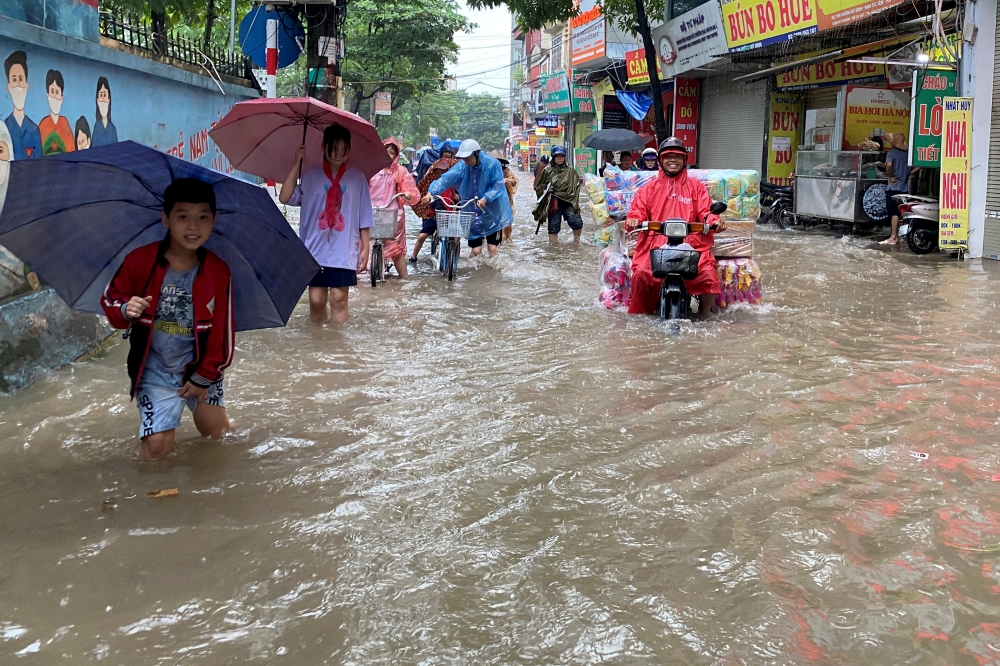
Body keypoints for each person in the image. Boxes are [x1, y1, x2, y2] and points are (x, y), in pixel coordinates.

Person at [101, 178, 234, 459]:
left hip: (200, 367)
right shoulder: (139, 262)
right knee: (157, 446)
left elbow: (223, 333)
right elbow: (112, 300)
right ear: (166, 219)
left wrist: (204, 376)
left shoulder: (218, 271)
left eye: (202, 217)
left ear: (214, 220)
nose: (193, 226)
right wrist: (126, 308)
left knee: (218, 434)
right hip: (155, 368)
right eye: (182, 216)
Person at [279, 123, 373, 323]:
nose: (339, 154)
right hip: (313, 249)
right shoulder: (310, 175)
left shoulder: (357, 178)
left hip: (344, 248)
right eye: (334, 149)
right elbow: (284, 197)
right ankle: (318, 339)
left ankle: (337, 340)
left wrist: (365, 247)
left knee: (338, 298)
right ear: (324, 146)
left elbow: (364, 214)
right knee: (316, 300)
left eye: (344, 149)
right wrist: (297, 163)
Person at [625, 137, 725, 319]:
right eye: (668, 157)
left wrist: (715, 220)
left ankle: (706, 315)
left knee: (708, 273)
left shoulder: (696, 187)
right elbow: (637, 211)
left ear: (684, 160)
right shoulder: (648, 189)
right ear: (661, 160)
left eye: (677, 157)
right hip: (655, 244)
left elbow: (706, 211)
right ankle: (640, 318)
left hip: (691, 244)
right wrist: (634, 219)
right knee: (641, 274)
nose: (673, 160)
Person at [422, 139, 513, 258]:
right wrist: (430, 193)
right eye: (464, 159)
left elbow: (498, 186)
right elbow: (445, 179)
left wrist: (486, 198)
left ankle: (493, 269)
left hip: (493, 213)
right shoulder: (463, 166)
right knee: (476, 251)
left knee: (492, 248)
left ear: (476, 154)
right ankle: (473, 270)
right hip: (473, 213)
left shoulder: (492, 164)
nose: (466, 162)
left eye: (468, 159)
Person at [368, 137, 419, 277]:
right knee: (362, 243)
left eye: (392, 153)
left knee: (395, 248)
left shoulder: (400, 171)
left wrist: (407, 193)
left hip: (392, 213)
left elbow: (409, 188)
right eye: (386, 151)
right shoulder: (371, 169)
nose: (389, 155)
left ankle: (404, 278)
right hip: (371, 211)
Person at [409, 143, 458, 264]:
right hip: (434, 215)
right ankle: (413, 257)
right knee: (422, 236)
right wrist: (426, 196)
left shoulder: (453, 182)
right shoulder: (433, 184)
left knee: (456, 238)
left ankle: (455, 260)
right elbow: (427, 189)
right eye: (437, 172)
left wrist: (457, 195)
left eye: (442, 172)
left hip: (449, 215)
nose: (439, 174)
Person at [534, 146, 582, 244]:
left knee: (576, 222)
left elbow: (576, 187)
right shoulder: (547, 171)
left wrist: (574, 200)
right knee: (553, 226)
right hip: (554, 201)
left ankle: (577, 242)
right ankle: (553, 246)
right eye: (557, 156)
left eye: (561, 156)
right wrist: (544, 191)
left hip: (569, 201)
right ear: (553, 157)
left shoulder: (571, 171)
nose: (559, 158)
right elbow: (538, 186)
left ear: (564, 157)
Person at [4, 50, 41, 159]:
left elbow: (40, 162)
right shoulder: (4, 128)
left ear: (26, 85)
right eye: (14, 79)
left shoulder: (34, 129)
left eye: (21, 79)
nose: (18, 84)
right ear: (9, 87)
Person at [881, 132, 914, 245]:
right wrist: (909, 174)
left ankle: (893, 237)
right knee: (901, 212)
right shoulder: (908, 154)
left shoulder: (891, 153)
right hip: (904, 188)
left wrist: (890, 176)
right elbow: (919, 165)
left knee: (894, 212)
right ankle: (900, 237)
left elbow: (889, 165)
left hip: (894, 187)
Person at [39, 69, 73, 155]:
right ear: (47, 96)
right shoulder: (43, 125)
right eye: (52, 92)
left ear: (62, 98)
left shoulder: (65, 123)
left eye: (57, 92)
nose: (54, 96)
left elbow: (71, 151)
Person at [92, 76, 119, 146]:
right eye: (101, 95)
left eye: (105, 95)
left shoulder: (112, 129)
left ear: (109, 99)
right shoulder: (97, 127)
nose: (103, 99)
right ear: (97, 100)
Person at [499, 157, 518, 242]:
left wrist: (506, 180)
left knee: (506, 221)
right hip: (491, 199)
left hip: (505, 199)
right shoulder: (488, 170)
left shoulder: (506, 171)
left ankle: (507, 238)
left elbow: (514, 182)